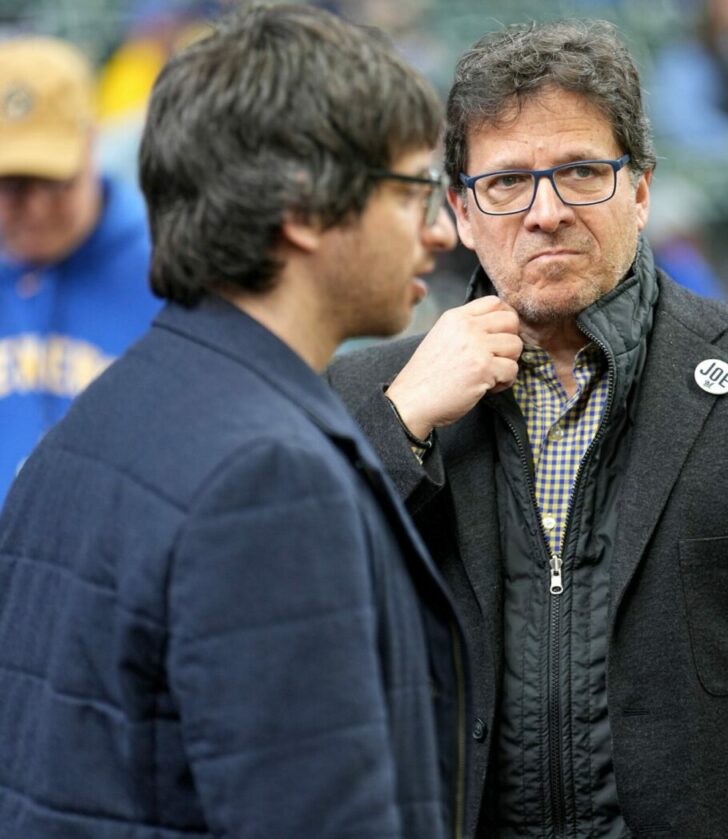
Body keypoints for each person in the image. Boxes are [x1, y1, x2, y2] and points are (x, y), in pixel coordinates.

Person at [327, 18, 728, 838]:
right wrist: (403, 424)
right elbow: (306, 621)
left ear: (641, 190)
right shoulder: (366, 391)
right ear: (461, 210)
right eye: (505, 184)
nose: (546, 212)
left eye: (580, 172)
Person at [0, 5, 465, 837]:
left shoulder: (97, 422)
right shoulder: (268, 476)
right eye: (411, 190)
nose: (438, 230)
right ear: (301, 207)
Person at [0, 35, 161, 502]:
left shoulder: (167, 269)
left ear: (90, 145)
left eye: (52, 182)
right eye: (9, 185)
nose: (33, 209)